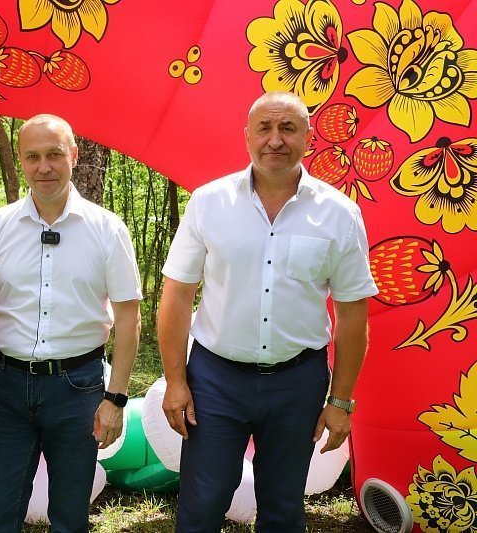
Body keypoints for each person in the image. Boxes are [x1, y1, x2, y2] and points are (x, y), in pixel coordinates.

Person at [158, 92, 378, 532]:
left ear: (308, 138)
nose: (275, 140)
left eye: (288, 129)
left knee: (283, 505)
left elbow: (353, 314)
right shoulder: (208, 202)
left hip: (298, 382)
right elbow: (178, 294)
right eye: (265, 128)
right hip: (215, 381)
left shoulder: (340, 214)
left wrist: (340, 400)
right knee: (202, 502)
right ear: (247, 137)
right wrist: (176, 381)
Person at [0, 114, 142, 532]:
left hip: (78, 388)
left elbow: (128, 317)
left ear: (73, 155)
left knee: (70, 516)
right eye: (33, 157)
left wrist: (116, 399)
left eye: (54, 155)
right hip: (6, 388)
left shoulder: (107, 230)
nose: (44, 167)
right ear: (20, 162)